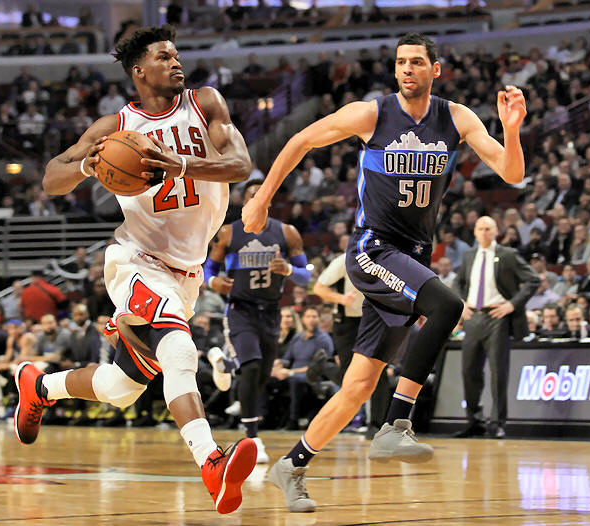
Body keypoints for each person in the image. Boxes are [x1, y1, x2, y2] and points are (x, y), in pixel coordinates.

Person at [242, 32, 527, 512]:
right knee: (448, 305)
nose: (407, 69)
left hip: (411, 258)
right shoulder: (372, 114)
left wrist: (512, 130)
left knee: (358, 387)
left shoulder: (457, 118)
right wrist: (262, 199)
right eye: (400, 62)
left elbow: (512, 173)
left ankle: (291, 466)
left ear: (436, 69)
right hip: (373, 249)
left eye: (417, 62)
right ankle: (397, 424)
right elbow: (300, 140)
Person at [13, 26, 255, 515]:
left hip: (187, 271)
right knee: (179, 349)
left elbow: (240, 165)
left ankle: (39, 387)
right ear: (139, 70)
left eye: (177, 55)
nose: (176, 61)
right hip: (136, 259)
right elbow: (52, 177)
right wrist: (87, 167)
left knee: (122, 388)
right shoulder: (115, 127)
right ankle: (211, 462)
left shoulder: (205, 103)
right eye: (164, 57)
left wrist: (180, 165)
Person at [203, 179, 309, 463]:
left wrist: (288, 270)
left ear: (268, 200)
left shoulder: (287, 232)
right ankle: (252, 438)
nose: (256, 200)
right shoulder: (228, 232)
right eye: (251, 196)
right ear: (244, 202)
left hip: (271, 311)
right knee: (251, 368)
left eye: (261, 195)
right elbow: (209, 268)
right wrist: (213, 282)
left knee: (261, 376)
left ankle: (226, 364)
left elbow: (306, 277)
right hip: (240, 310)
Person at [454, 216, 539, 439]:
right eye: (480, 229)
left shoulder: (507, 255)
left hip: (497, 317)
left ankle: (497, 423)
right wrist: (461, 303)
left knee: (498, 372)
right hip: (473, 316)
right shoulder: (469, 255)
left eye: (488, 229)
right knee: (469, 371)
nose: (484, 232)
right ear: (475, 232)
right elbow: (458, 282)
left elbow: (533, 280)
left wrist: (512, 304)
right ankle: (475, 421)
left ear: (495, 231)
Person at [312, 237, 392, 439]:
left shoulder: (385, 260)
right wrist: (341, 298)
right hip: (347, 322)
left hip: (374, 320)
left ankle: (377, 426)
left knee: (379, 373)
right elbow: (319, 288)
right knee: (350, 378)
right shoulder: (343, 261)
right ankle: (325, 367)